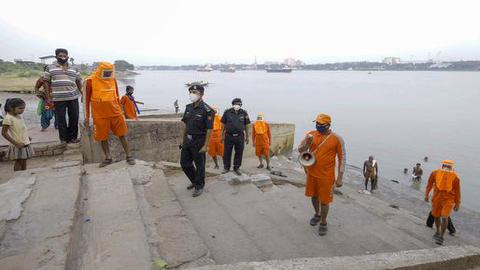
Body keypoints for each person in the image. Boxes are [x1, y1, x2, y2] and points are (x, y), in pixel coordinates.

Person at [298, 113, 345, 236]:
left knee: (324, 201)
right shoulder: (310, 135)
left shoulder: (337, 139)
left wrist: (340, 177)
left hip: (327, 176)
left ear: (328, 125)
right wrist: (307, 143)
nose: (318, 126)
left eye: (321, 124)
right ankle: (317, 214)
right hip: (311, 173)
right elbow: (300, 150)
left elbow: (342, 158)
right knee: (313, 196)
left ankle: (323, 222)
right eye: (317, 123)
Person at [84, 62, 136, 167]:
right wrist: (87, 117)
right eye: (106, 73)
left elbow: (116, 96)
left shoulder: (113, 79)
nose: (108, 75)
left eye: (109, 72)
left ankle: (129, 156)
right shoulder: (90, 81)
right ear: (100, 71)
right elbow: (86, 100)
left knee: (122, 134)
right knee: (103, 138)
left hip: (115, 113)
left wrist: (120, 111)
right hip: (100, 115)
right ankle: (108, 158)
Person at [180, 85, 213, 197]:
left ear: (201, 94)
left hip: (199, 141)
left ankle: (199, 186)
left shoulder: (207, 110)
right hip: (187, 140)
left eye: (194, 92)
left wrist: (206, 145)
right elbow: (185, 124)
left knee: (200, 165)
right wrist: (182, 139)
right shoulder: (188, 107)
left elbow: (209, 129)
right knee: (184, 163)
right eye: (190, 92)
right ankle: (195, 181)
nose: (192, 94)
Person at [43, 48, 82, 143]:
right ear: (56, 56)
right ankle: (64, 139)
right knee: (61, 119)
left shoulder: (74, 68)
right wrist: (48, 98)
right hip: (58, 98)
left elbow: (78, 81)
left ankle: (72, 138)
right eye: (60, 56)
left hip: (73, 96)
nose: (63, 57)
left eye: (65, 56)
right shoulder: (50, 67)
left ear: (67, 56)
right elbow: (46, 82)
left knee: (74, 117)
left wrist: (83, 94)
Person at [425, 160, 461, 245]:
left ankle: (441, 236)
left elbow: (457, 191)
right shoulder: (434, 173)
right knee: (436, 216)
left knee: (445, 217)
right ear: (442, 166)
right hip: (436, 198)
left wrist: (457, 203)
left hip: (448, 200)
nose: (447, 168)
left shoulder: (455, 177)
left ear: (451, 167)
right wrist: (426, 195)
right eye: (445, 166)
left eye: (449, 166)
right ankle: (437, 231)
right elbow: (429, 184)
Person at [1, 98, 34, 171]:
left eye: (23, 108)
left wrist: (26, 137)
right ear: (11, 108)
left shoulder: (19, 116)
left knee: (24, 160)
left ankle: (24, 175)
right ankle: (17, 177)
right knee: (18, 161)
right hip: (17, 144)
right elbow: (4, 133)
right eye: (20, 108)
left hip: (24, 142)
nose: (22, 110)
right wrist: (16, 143)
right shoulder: (8, 118)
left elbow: (20, 129)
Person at [221, 98, 250, 175]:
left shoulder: (244, 113)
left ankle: (236, 167)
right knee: (227, 152)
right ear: (233, 104)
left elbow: (247, 125)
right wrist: (222, 135)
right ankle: (226, 167)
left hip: (240, 136)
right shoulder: (227, 112)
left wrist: (247, 136)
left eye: (239, 104)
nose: (238, 105)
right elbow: (223, 125)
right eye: (236, 104)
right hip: (228, 136)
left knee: (239, 152)